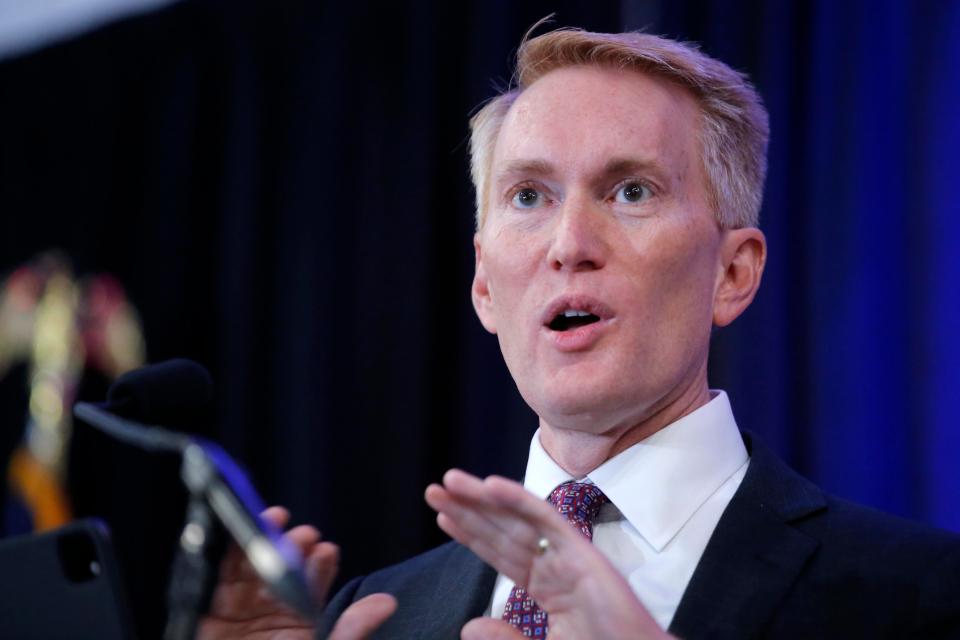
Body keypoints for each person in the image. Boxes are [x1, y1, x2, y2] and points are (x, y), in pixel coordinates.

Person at [199, 28, 960, 640]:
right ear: (485, 285)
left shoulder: (925, 594)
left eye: (631, 191)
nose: (569, 242)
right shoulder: (375, 616)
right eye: (528, 195)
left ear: (733, 273)